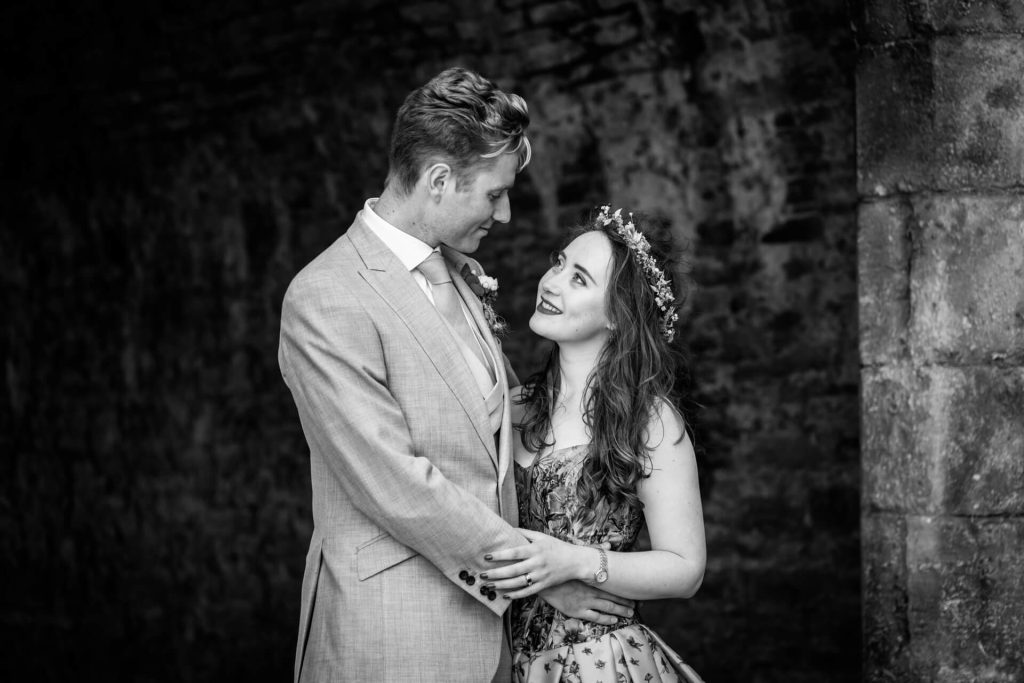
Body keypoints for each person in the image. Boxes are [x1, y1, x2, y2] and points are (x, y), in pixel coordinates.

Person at [278, 68, 633, 683]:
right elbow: (396, 483)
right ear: (439, 180)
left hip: (491, 642)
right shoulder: (325, 297)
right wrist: (538, 578)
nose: (508, 213)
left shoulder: (460, 275)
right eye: (495, 194)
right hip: (391, 636)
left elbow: (491, 430)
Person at [482, 206, 707, 682]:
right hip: (499, 656)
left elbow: (686, 569)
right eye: (558, 263)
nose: (551, 281)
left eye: (579, 279)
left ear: (616, 315)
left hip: (596, 661)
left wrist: (576, 563)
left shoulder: (649, 419)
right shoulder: (514, 404)